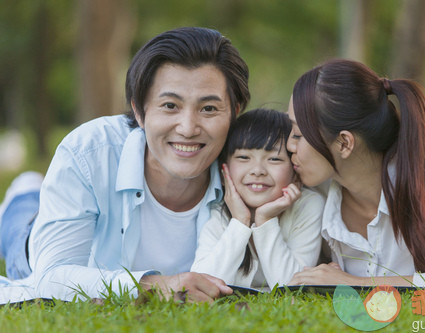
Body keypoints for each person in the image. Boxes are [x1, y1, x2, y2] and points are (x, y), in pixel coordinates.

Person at [0, 26, 250, 303]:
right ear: (139, 111)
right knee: (17, 227)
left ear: (235, 112)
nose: (189, 128)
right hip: (35, 244)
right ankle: (23, 193)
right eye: (170, 106)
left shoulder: (254, 167)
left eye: (209, 109)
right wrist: (156, 285)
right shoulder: (89, 151)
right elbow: (51, 277)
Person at [286, 59, 425, 288]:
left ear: (344, 143)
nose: (288, 145)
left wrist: (358, 282)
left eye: (298, 134)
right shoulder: (310, 188)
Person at [190, 109, 324, 289]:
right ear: (224, 173)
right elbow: (203, 284)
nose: (258, 170)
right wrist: (239, 222)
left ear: (295, 174)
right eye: (244, 157)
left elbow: (293, 287)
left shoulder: (308, 206)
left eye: (274, 159)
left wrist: (265, 220)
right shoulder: (218, 211)